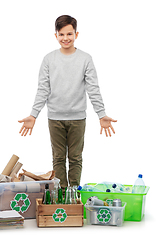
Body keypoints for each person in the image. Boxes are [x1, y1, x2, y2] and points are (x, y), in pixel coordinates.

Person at [19, 15, 117, 189]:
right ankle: (61, 192)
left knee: (75, 158)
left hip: (78, 118)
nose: (66, 38)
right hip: (55, 118)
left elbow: (93, 88)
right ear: (55, 35)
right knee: (58, 157)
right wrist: (34, 115)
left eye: (69, 34)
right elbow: (43, 89)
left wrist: (101, 115)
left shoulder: (85, 58)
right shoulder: (49, 59)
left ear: (76, 34)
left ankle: (74, 192)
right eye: (62, 34)